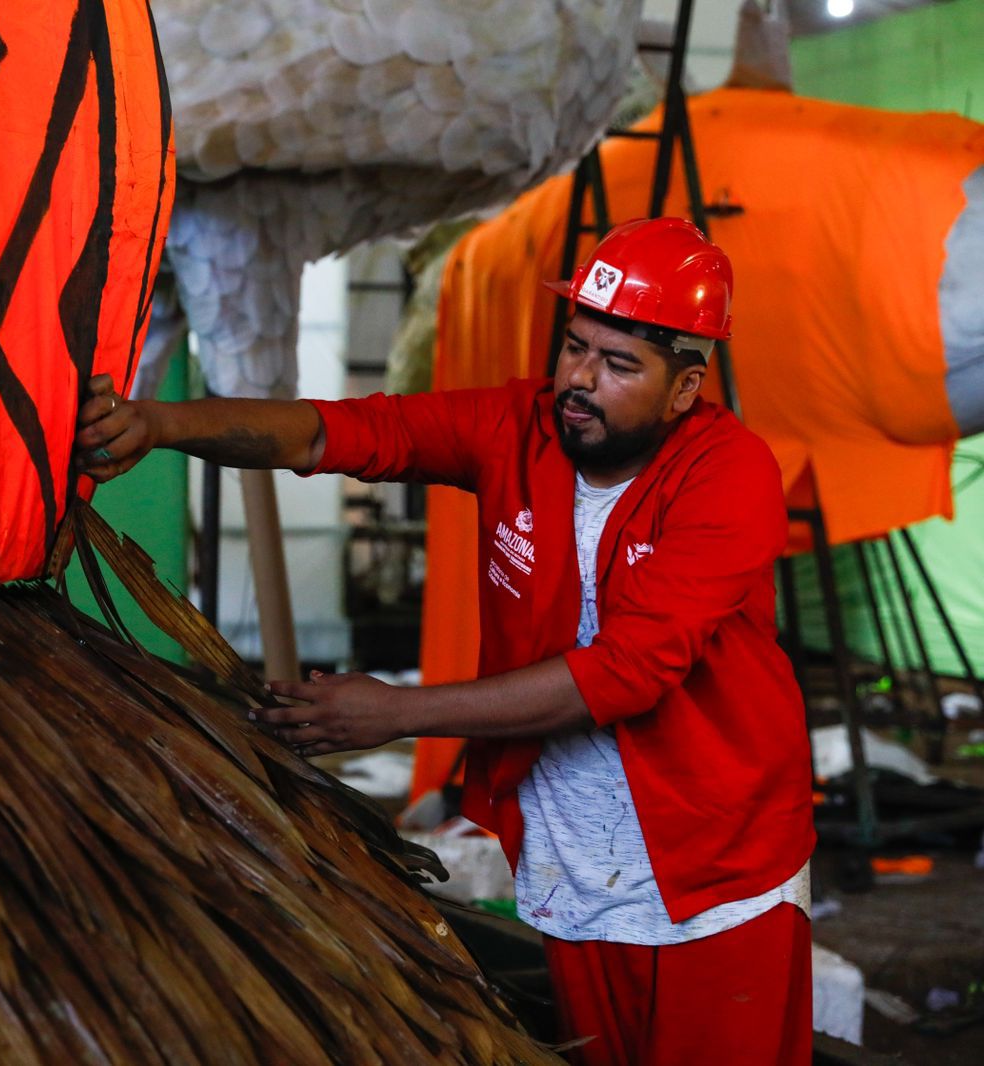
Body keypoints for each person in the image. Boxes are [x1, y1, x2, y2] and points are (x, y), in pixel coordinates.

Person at [75, 217, 816, 1066]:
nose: (579, 380)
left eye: (619, 366)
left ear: (685, 389)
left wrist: (400, 712)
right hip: (573, 861)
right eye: (575, 346)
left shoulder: (729, 475)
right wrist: (162, 424)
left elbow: (624, 673)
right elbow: (334, 431)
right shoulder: (518, 426)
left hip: (713, 867)